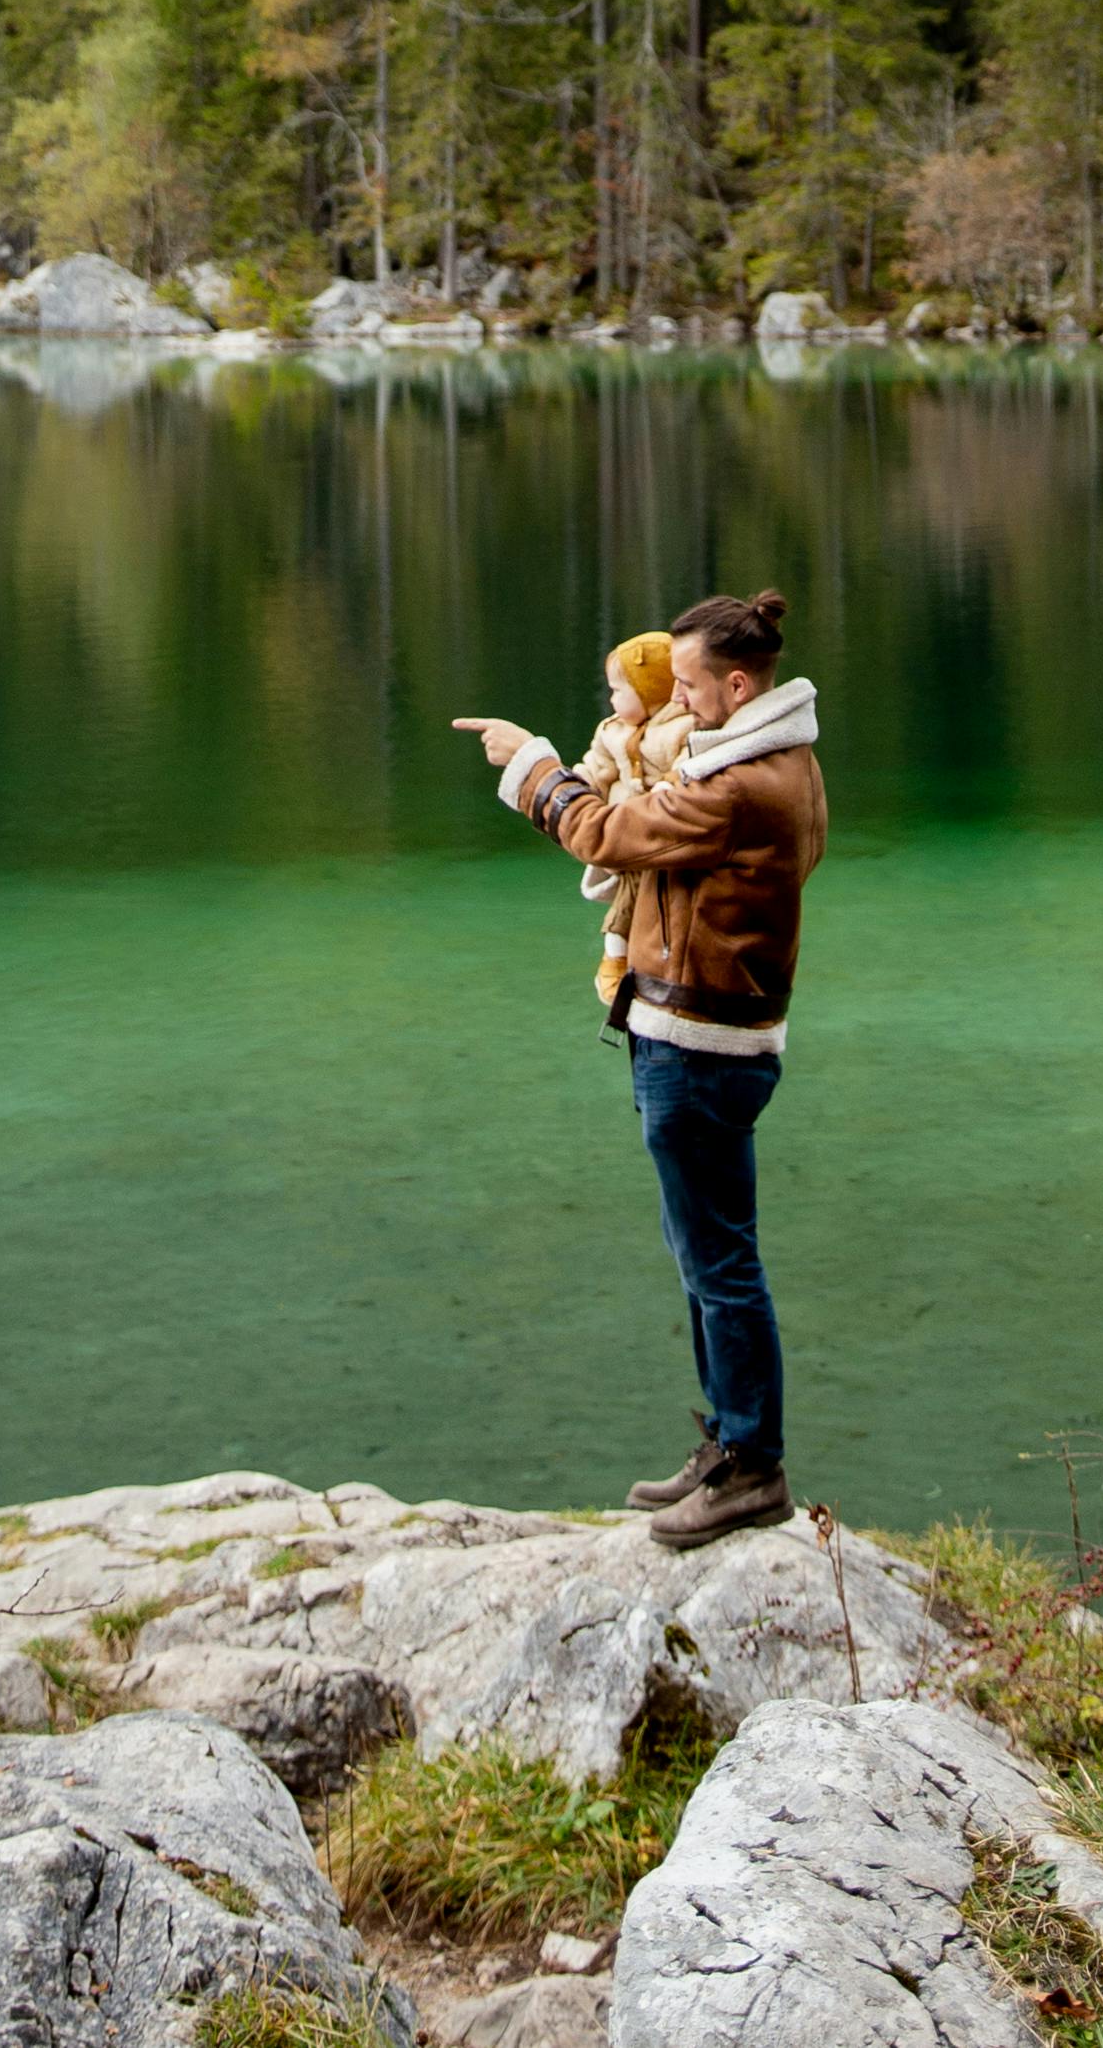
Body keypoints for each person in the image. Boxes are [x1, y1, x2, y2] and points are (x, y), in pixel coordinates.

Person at [455, 586, 823, 1543]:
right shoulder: (774, 758)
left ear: (737, 684)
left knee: (721, 1261)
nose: (678, 702)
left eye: (692, 687)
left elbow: (605, 834)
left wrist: (535, 765)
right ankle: (729, 1444)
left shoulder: (738, 787)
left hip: (701, 1049)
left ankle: (753, 1466)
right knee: (702, 1253)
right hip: (707, 1038)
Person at [577, 633, 693, 1014]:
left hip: (656, 835)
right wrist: (576, 787)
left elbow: (688, 762)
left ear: (650, 690)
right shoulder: (611, 731)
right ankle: (620, 963)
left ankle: (619, 962)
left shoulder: (681, 727)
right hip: (623, 832)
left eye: (618, 690)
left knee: (635, 901)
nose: (612, 699)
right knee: (631, 894)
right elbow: (597, 768)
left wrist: (669, 784)